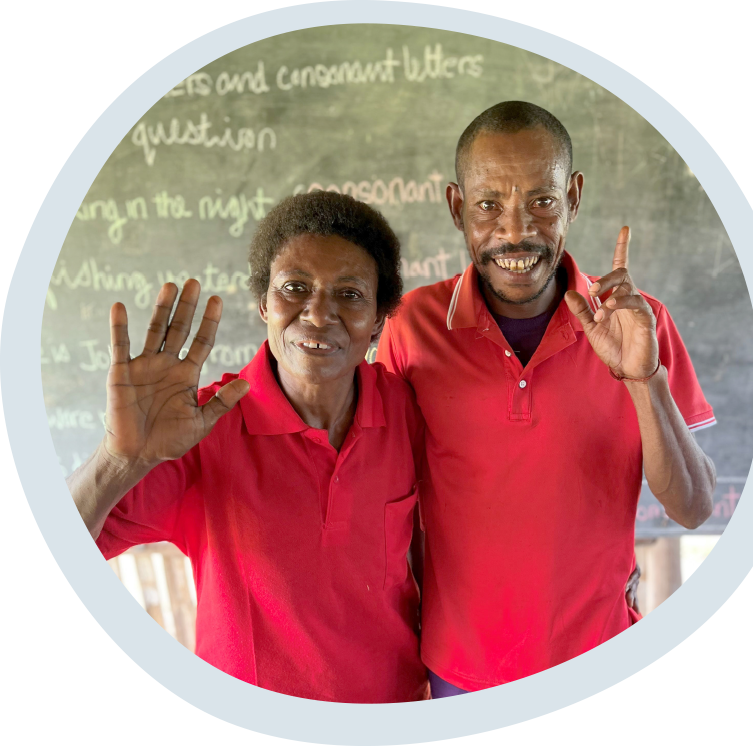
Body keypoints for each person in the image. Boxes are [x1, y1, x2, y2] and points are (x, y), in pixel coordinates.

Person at [376, 101, 717, 697]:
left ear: (574, 197)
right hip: (460, 672)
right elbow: (382, 496)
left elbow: (693, 507)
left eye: (542, 200)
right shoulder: (412, 327)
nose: (515, 231)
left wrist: (643, 377)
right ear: (457, 207)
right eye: (488, 205)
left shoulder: (641, 324)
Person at [68, 191, 429, 703]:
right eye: (294, 288)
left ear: (378, 319)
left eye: (349, 294)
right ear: (264, 303)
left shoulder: (406, 409)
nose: (319, 313)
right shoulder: (199, 427)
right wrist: (119, 459)